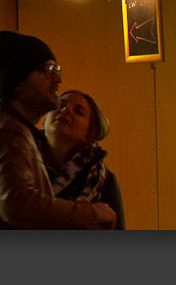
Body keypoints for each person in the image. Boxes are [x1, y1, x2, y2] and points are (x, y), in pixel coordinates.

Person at [0, 31, 115, 229]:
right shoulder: (9, 131)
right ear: (18, 79)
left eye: (57, 70)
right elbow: (16, 204)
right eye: (48, 69)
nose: (57, 79)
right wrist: (92, 212)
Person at [42, 89, 125, 230]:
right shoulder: (20, 159)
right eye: (60, 105)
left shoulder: (104, 181)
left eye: (78, 112)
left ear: (90, 133)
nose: (66, 110)